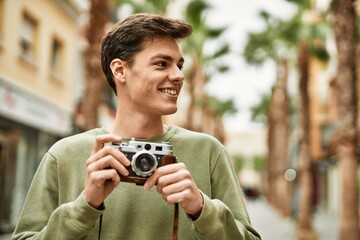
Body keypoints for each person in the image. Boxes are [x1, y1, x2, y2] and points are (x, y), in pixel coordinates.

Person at [12, 13, 261, 240]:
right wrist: (85, 205)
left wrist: (201, 208)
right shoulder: (64, 155)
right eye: (162, 63)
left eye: (179, 65)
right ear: (120, 70)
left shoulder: (208, 152)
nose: (178, 75)